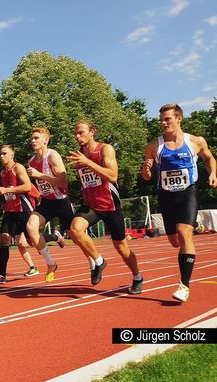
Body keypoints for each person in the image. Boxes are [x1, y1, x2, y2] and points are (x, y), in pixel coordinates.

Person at [142, 104, 216, 302]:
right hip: (166, 197)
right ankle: (193, 226)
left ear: (179, 119)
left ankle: (184, 285)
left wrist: (213, 173)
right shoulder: (154, 146)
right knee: (175, 241)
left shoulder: (195, 141)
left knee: (184, 234)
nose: (163, 123)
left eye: (167, 119)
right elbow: (146, 176)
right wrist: (147, 168)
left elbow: (209, 158)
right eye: (161, 120)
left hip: (187, 193)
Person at [68, 120, 143, 294]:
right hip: (90, 205)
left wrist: (88, 162)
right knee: (75, 229)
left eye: (81, 132)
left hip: (110, 205)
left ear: (92, 131)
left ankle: (137, 276)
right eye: (76, 133)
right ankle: (99, 261)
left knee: (122, 247)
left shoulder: (104, 149)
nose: (78, 136)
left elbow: (113, 175)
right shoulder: (79, 155)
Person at [26, 127, 73, 282]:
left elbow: (63, 181)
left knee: (76, 236)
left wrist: (40, 175)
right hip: (47, 202)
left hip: (62, 201)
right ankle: (51, 264)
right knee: (31, 227)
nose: (32, 141)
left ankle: (96, 262)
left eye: (36, 138)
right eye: (31, 138)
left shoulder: (52, 156)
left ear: (45, 140)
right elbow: (40, 185)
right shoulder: (31, 162)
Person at [0, 145, 38, 284]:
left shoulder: (18, 168)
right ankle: (1, 275)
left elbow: (27, 187)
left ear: (12, 155)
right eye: (0, 154)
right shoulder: (2, 173)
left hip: (23, 210)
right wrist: (5, 200)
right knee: (4, 238)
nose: (1, 156)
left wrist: (5, 190)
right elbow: (9, 192)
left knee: (30, 241)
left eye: (5, 154)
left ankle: (55, 236)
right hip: (10, 211)